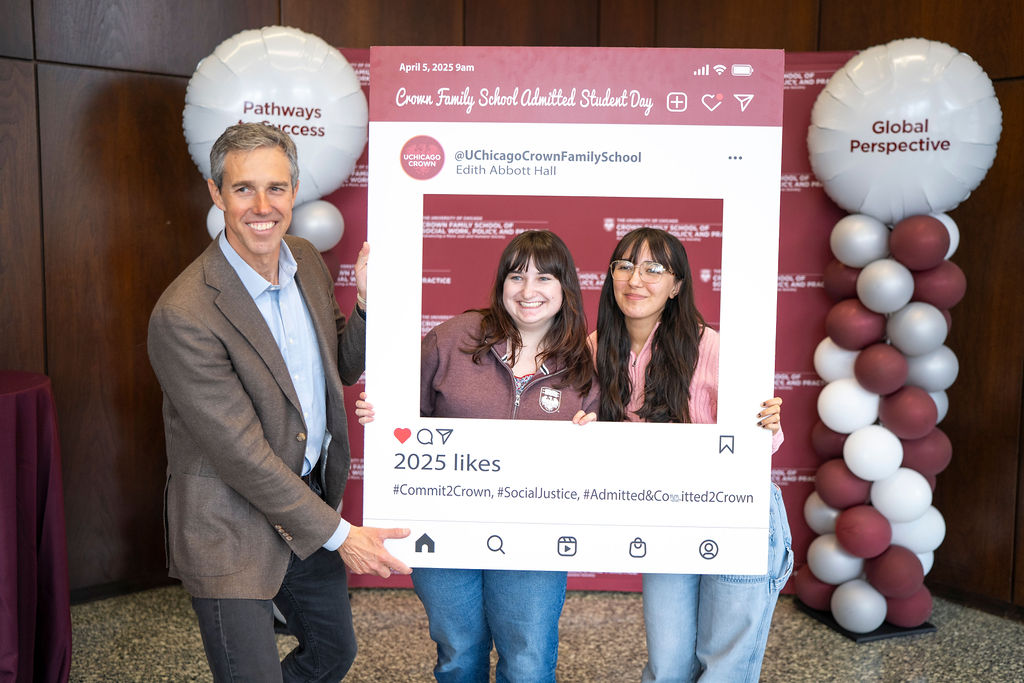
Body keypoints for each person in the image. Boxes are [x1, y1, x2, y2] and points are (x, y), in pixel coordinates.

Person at [147, 122, 411, 683]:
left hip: (303, 500)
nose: (262, 206)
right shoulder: (184, 314)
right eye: (244, 189)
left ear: (294, 191)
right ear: (217, 194)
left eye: (277, 187)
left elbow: (339, 363)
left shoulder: (305, 259)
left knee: (332, 652)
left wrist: (365, 302)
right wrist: (346, 538)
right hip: (230, 523)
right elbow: (241, 456)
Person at [356, 229, 598, 682]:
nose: (528, 291)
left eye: (544, 278)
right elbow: (402, 417)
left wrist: (595, 435)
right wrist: (381, 414)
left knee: (527, 661)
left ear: (565, 288)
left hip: (535, 537)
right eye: (516, 276)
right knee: (457, 655)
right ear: (500, 284)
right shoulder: (452, 338)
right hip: (443, 529)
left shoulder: (586, 364)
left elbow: (608, 453)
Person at [592, 227, 792, 683]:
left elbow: (759, 444)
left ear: (677, 285)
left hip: (735, 512)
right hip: (667, 517)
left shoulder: (714, 348)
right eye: (624, 266)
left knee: (724, 669)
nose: (635, 279)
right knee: (667, 667)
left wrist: (768, 425)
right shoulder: (596, 347)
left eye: (652, 269)